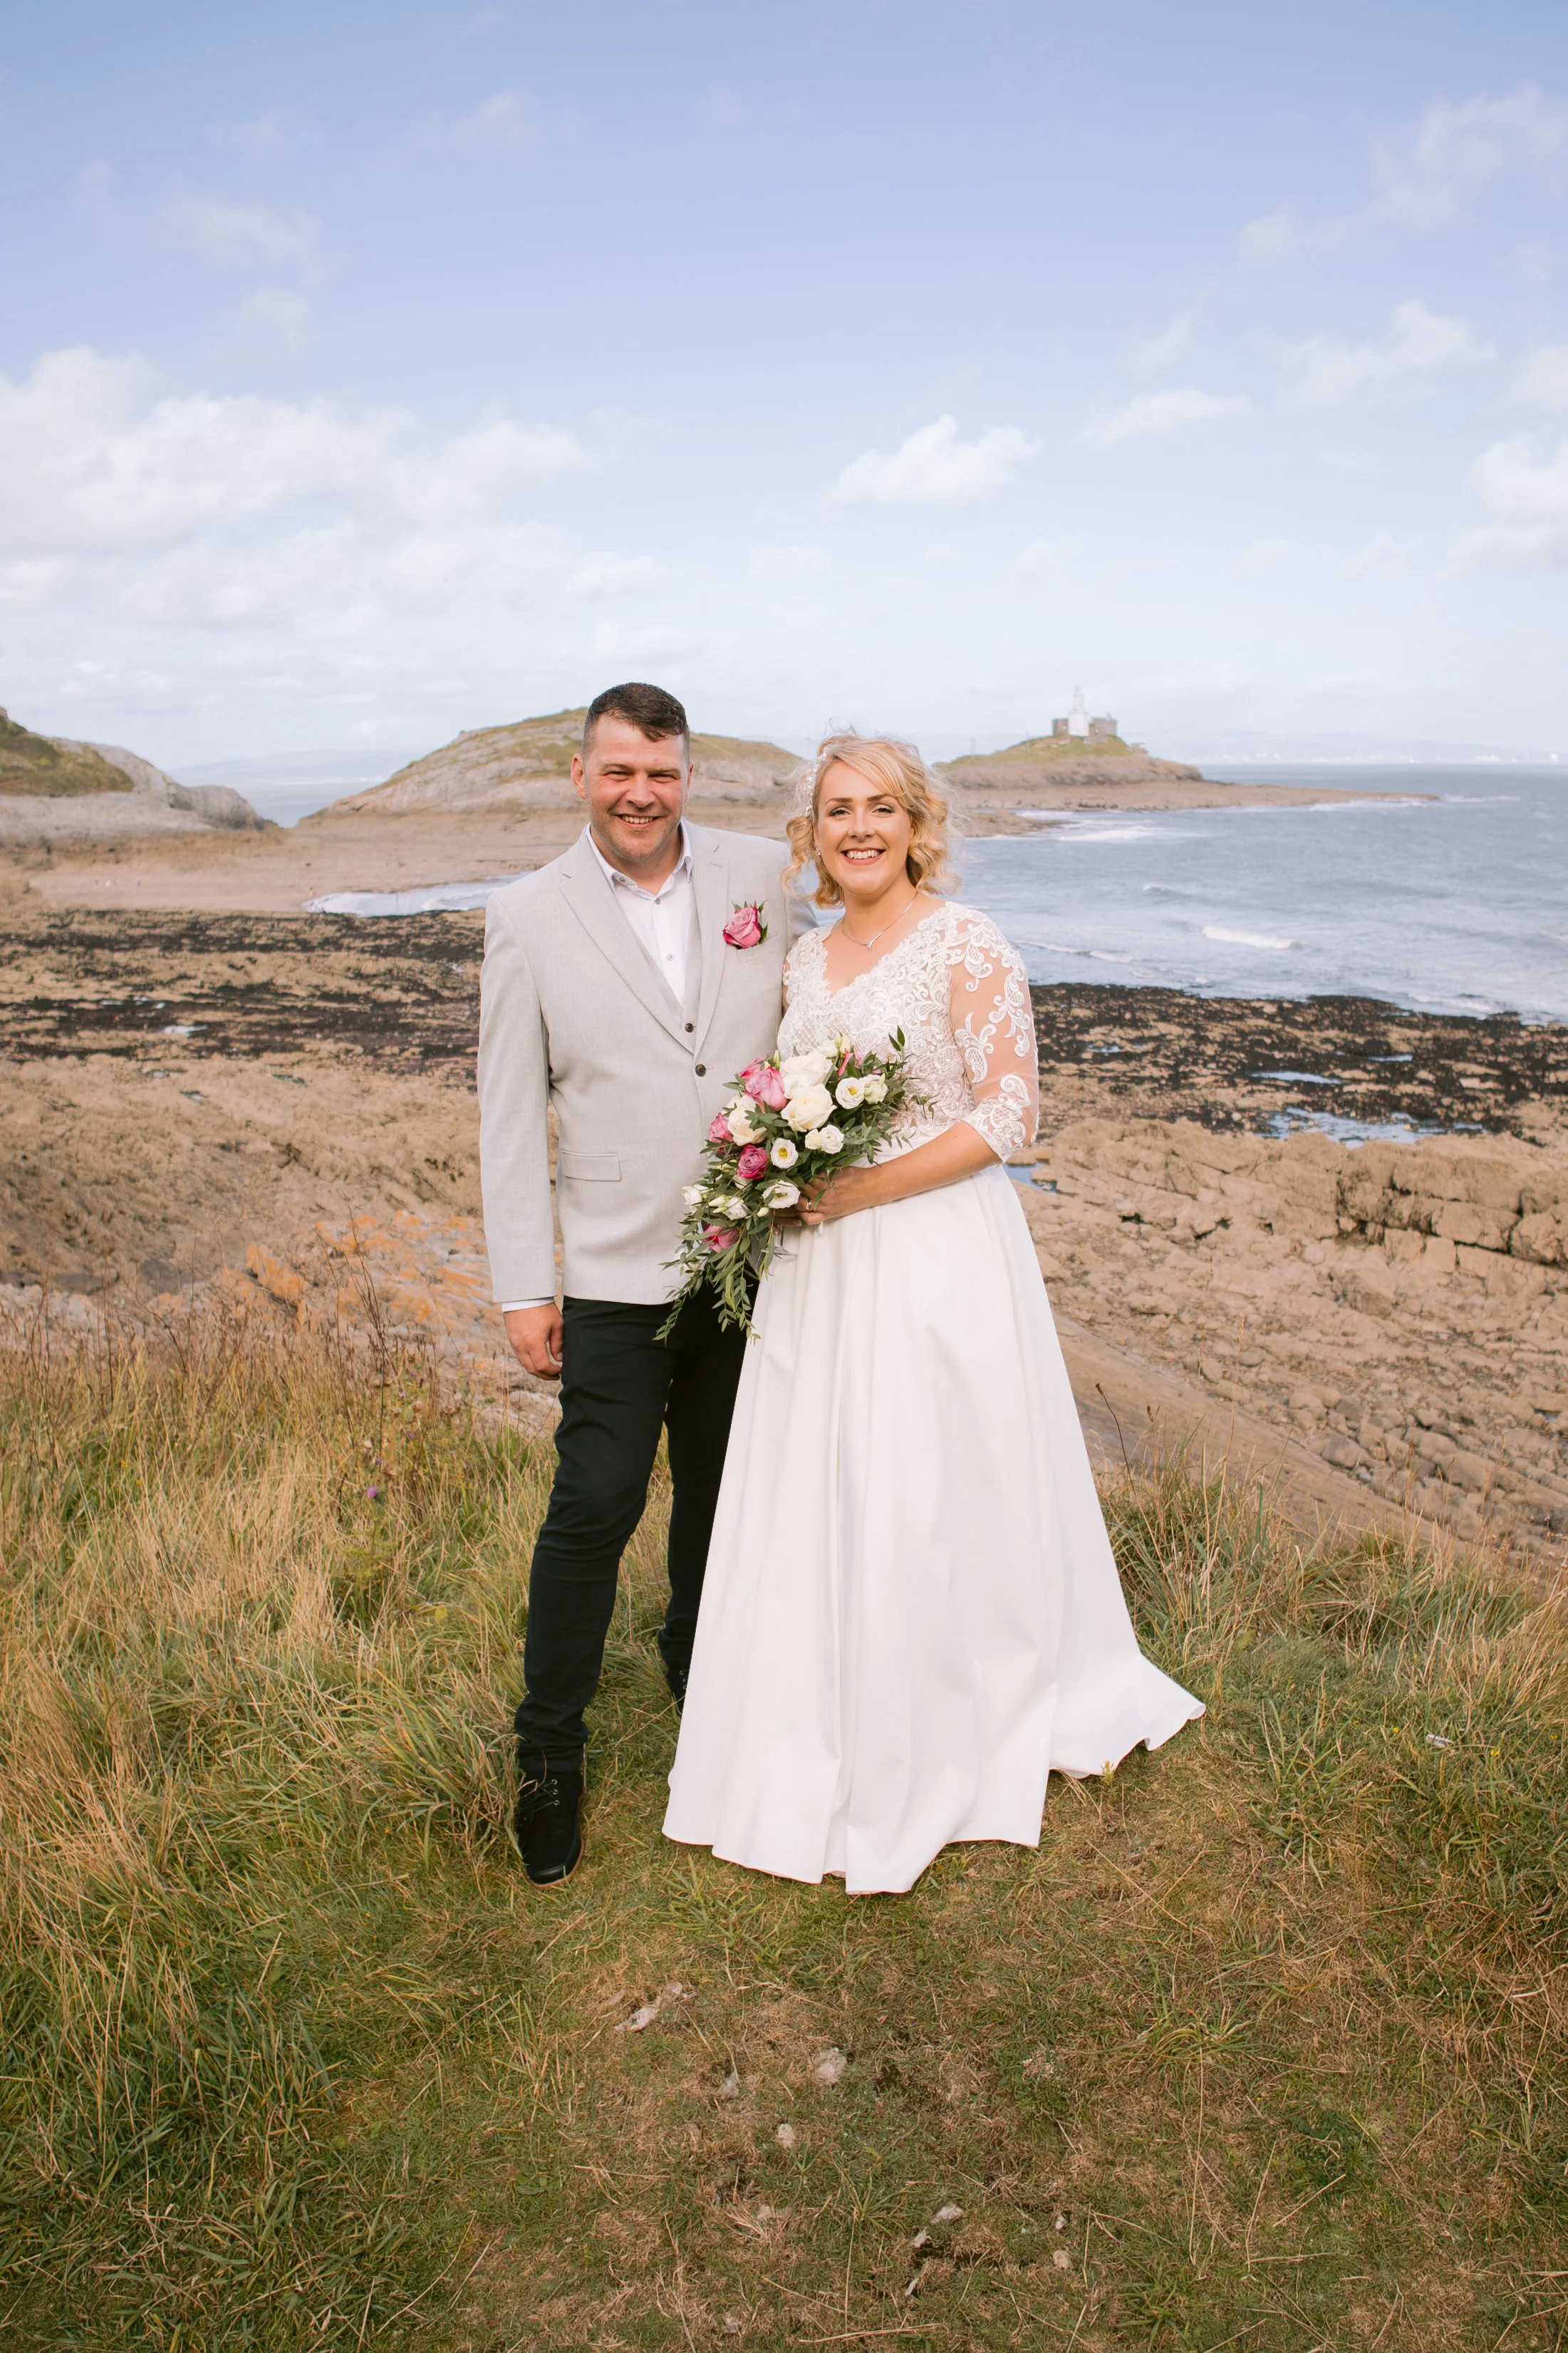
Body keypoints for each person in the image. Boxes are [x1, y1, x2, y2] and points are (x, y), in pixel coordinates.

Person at [664, 733, 1203, 1895]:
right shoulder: (805, 962)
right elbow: (778, 1093)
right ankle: (825, 1716)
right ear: (811, 833)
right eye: (837, 810)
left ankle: (954, 1715)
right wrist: (775, 1172)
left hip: (936, 1253)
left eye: (881, 808)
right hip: (819, 1273)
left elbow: (1011, 1112)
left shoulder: (966, 941)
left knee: (934, 1487)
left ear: (917, 825)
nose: (859, 827)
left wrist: (858, 1186)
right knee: (830, 1482)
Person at [478, 681, 813, 1886]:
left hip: (751, 1259)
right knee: (595, 1504)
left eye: (662, 773)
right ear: (583, 775)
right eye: (620, 771)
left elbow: (840, 976)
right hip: (615, 1270)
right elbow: (510, 1117)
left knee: (725, 1492)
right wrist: (526, 1283)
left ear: (689, 775)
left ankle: (699, 1670)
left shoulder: (759, 877)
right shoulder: (524, 915)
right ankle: (548, 1753)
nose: (641, 794)